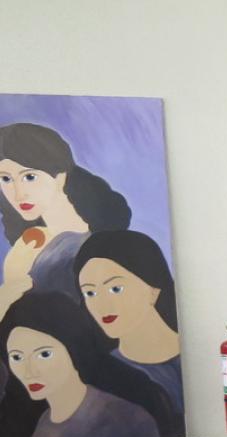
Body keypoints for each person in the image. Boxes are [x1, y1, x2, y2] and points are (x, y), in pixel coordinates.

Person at [0, 293, 166, 437]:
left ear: (74, 349)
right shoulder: (45, 420)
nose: (29, 371)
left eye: (44, 354)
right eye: (16, 357)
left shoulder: (124, 419)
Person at [0, 122, 131, 306]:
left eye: (29, 177)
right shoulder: (26, 246)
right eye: (5, 178)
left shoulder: (103, 239)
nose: (18, 193)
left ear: (60, 175)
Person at [74, 229, 184, 415]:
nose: (102, 304)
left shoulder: (196, 355)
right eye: (90, 293)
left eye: (115, 289)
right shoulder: (104, 377)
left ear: (153, 289)